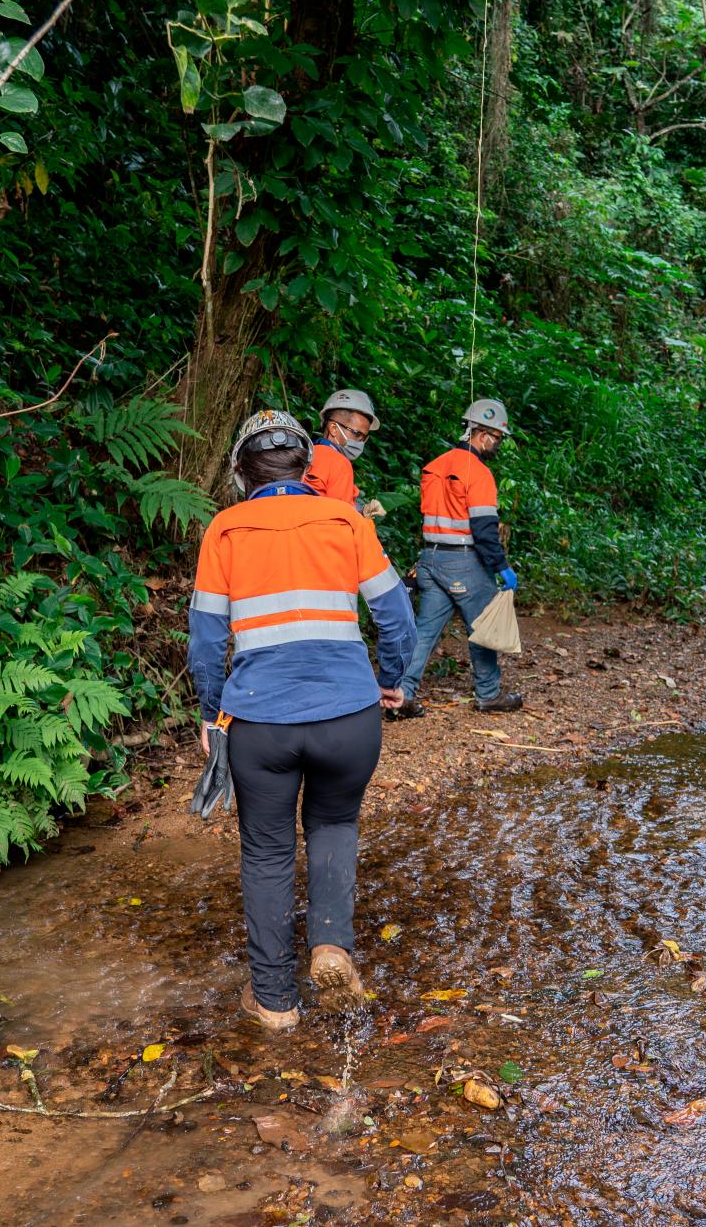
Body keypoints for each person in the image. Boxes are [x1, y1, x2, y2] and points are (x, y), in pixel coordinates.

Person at [188, 410, 416, 1031]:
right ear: (306, 466)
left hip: (261, 722)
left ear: (241, 470)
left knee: (266, 851)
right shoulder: (346, 518)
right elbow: (397, 619)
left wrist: (212, 714)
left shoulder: (226, 530)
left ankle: (274, 1002)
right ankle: (332, 946)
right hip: (349, 715)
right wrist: (390, 682)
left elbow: (206, 642)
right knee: (335, 822)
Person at [392, 397, 524, 718]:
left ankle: (401, 695)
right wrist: (501, 567)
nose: (499, 445)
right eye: (498, 438)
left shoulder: (435, 465)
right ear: (483, 435)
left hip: (430, 559)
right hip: (463, 563)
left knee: (424, 632)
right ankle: (489, 694)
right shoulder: (478, 473)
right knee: (484, 627)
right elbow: (484, 530)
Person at [304, 388, 381, 516]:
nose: (360, 442)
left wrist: (362, 510)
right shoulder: (339, 463)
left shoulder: (306, 452)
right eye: (357, 434)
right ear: (333, 428)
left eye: (364, 438)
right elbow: (341, 518)